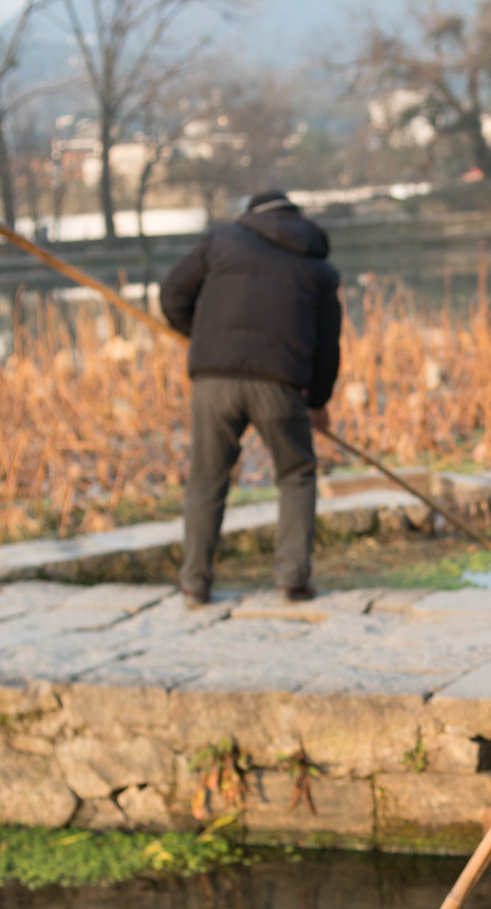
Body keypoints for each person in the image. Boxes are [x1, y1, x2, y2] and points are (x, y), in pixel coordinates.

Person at [161, 189, 342, 605]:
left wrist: (207, 341)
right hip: (279, 382)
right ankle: (294, 578)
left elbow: (173, 294)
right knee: (296, 473)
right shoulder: (318, 268)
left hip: (214, 379)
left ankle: (194, 582)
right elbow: (327, 346)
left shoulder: (222, 240)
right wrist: (317, 401)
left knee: (207, 477)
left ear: (250, 213)